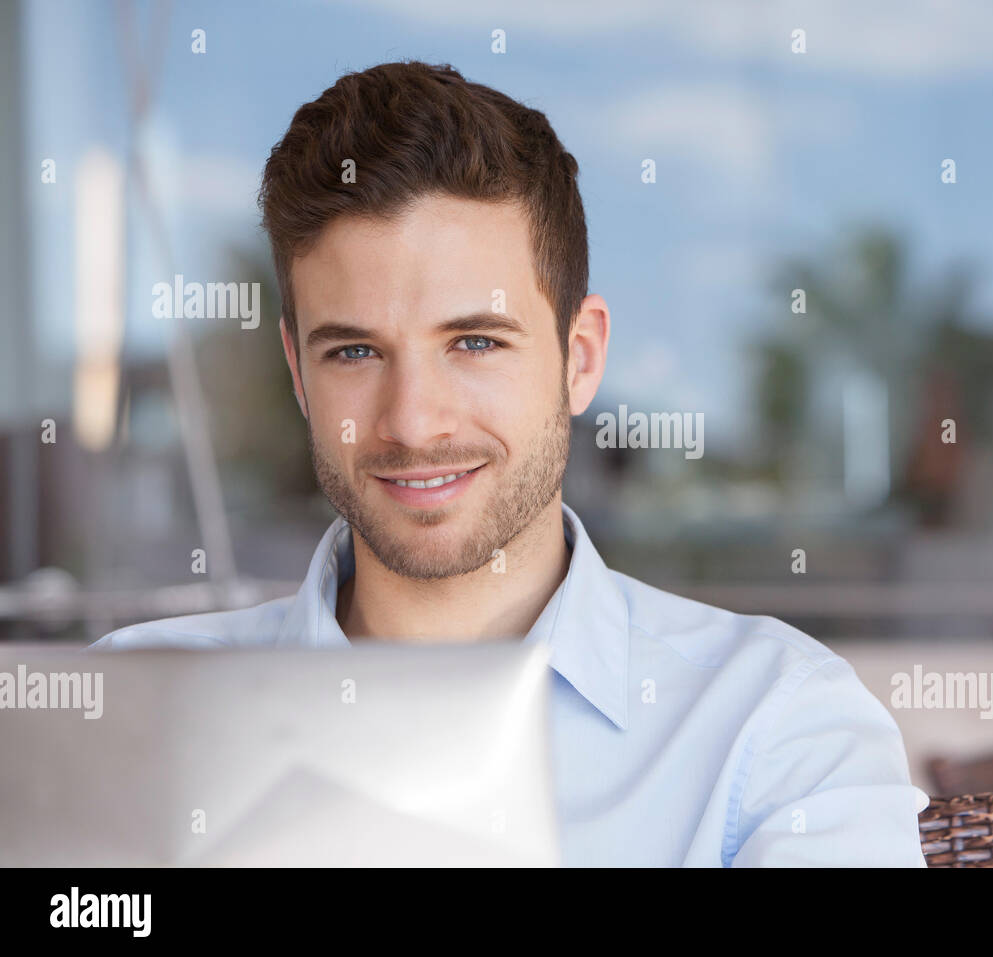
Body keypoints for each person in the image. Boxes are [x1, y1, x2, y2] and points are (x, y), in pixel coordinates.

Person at [93, 61, 929, 866]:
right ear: (298, 374)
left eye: (475, 342)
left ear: (580, 356)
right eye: (353, 351)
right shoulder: (133, 708)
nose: (413, 422)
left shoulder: (776, 725)